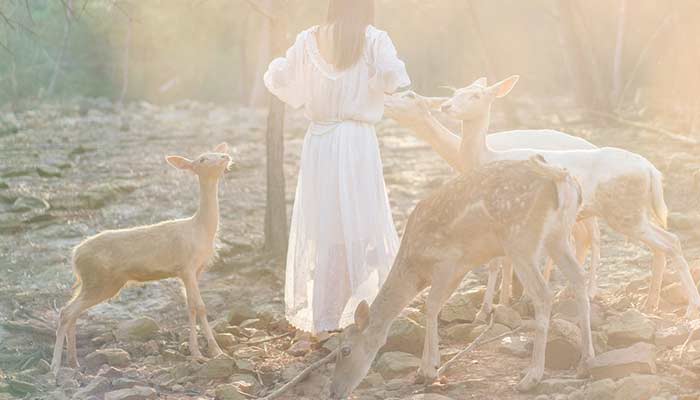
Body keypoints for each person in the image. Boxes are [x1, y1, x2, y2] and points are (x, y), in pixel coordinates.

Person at [264, 0, 410, 333]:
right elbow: (391, 77)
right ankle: (358, 311)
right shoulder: (373, 38)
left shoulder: (307, 40)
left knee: (326, 229)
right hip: (357, 141)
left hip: (320, 141)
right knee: (357, 226)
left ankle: (327, 314)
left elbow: (280, 76)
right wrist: (373, 81)